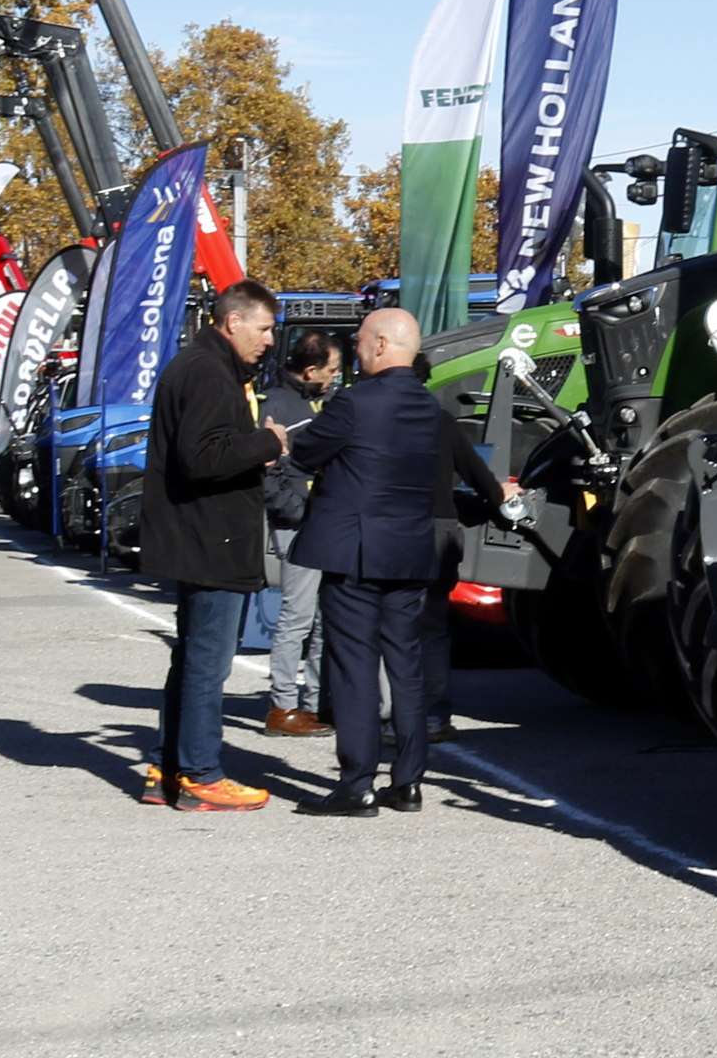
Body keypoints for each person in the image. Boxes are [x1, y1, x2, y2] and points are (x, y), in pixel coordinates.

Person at [290, 306, 503, 816]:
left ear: (383, 345)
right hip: (411, 552)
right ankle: (408, 779)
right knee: (406, 664)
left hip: (357, 553)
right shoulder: (434, 413)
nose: (356, 349)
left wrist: (284, 441)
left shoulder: (354, 404)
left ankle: (356, 782)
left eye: (362, 340)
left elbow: (305, 454)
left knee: (354, 666)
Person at [137, 283, 292, 811]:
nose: (270, 340)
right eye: (264, 328)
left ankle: (168, 768)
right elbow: (203, 457)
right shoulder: (207, 371)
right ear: (233, 323)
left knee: (191, 658)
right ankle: (201, 772)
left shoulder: (201, 365)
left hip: (198, 535)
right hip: (210, 538)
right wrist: (270, 443)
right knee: (208, 660)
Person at [253, 322, 337, 738]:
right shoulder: (282, 405)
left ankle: (312, 703)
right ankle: (284, 705)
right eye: (331, 369)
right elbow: (272, 472)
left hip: (312, 522)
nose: (335, 377)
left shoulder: (301, 402)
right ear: (310, 370)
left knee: (319, 617)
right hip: (299, 525)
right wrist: (295, 510)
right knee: (299, 616)